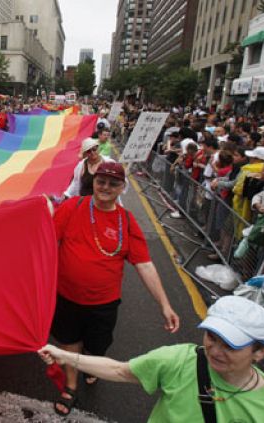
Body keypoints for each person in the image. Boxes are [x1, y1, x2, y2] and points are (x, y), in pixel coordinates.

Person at [49, 161, 180, 416]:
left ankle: (91, 363)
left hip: (103, 304)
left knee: (97, 347)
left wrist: (165, 304)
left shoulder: (127, 222)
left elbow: (144, 265)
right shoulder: (71, 207)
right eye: (101, 181)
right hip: (67, 297)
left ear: (122, 188)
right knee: (69, 343)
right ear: (93, 182)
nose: (105, 187)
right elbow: (45, 243)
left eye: (113, 183)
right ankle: (71, 386)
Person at [38, 296, 264, 422]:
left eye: (231, 344)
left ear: (261, 352)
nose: (215, 351)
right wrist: (64, 356)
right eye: (212, 336)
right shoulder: (180, 359)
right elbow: (121, 371)